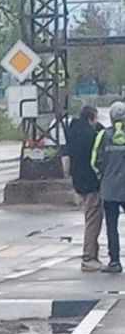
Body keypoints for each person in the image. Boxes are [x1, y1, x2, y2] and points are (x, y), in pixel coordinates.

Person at [65, 105, 103, 271]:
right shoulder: (90, 136)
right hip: (91, 184)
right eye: (96, 119)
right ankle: (89, 257)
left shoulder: (73, 132)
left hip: (78, 183)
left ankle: (92, 254)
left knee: (90, 218)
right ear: (90, 119)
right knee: (93, 220)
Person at [92, 101, 125, 273]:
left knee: (112, 227)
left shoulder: (103, 135)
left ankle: (114, 261)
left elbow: (94, 161)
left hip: (110, 189)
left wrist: (102, 178)